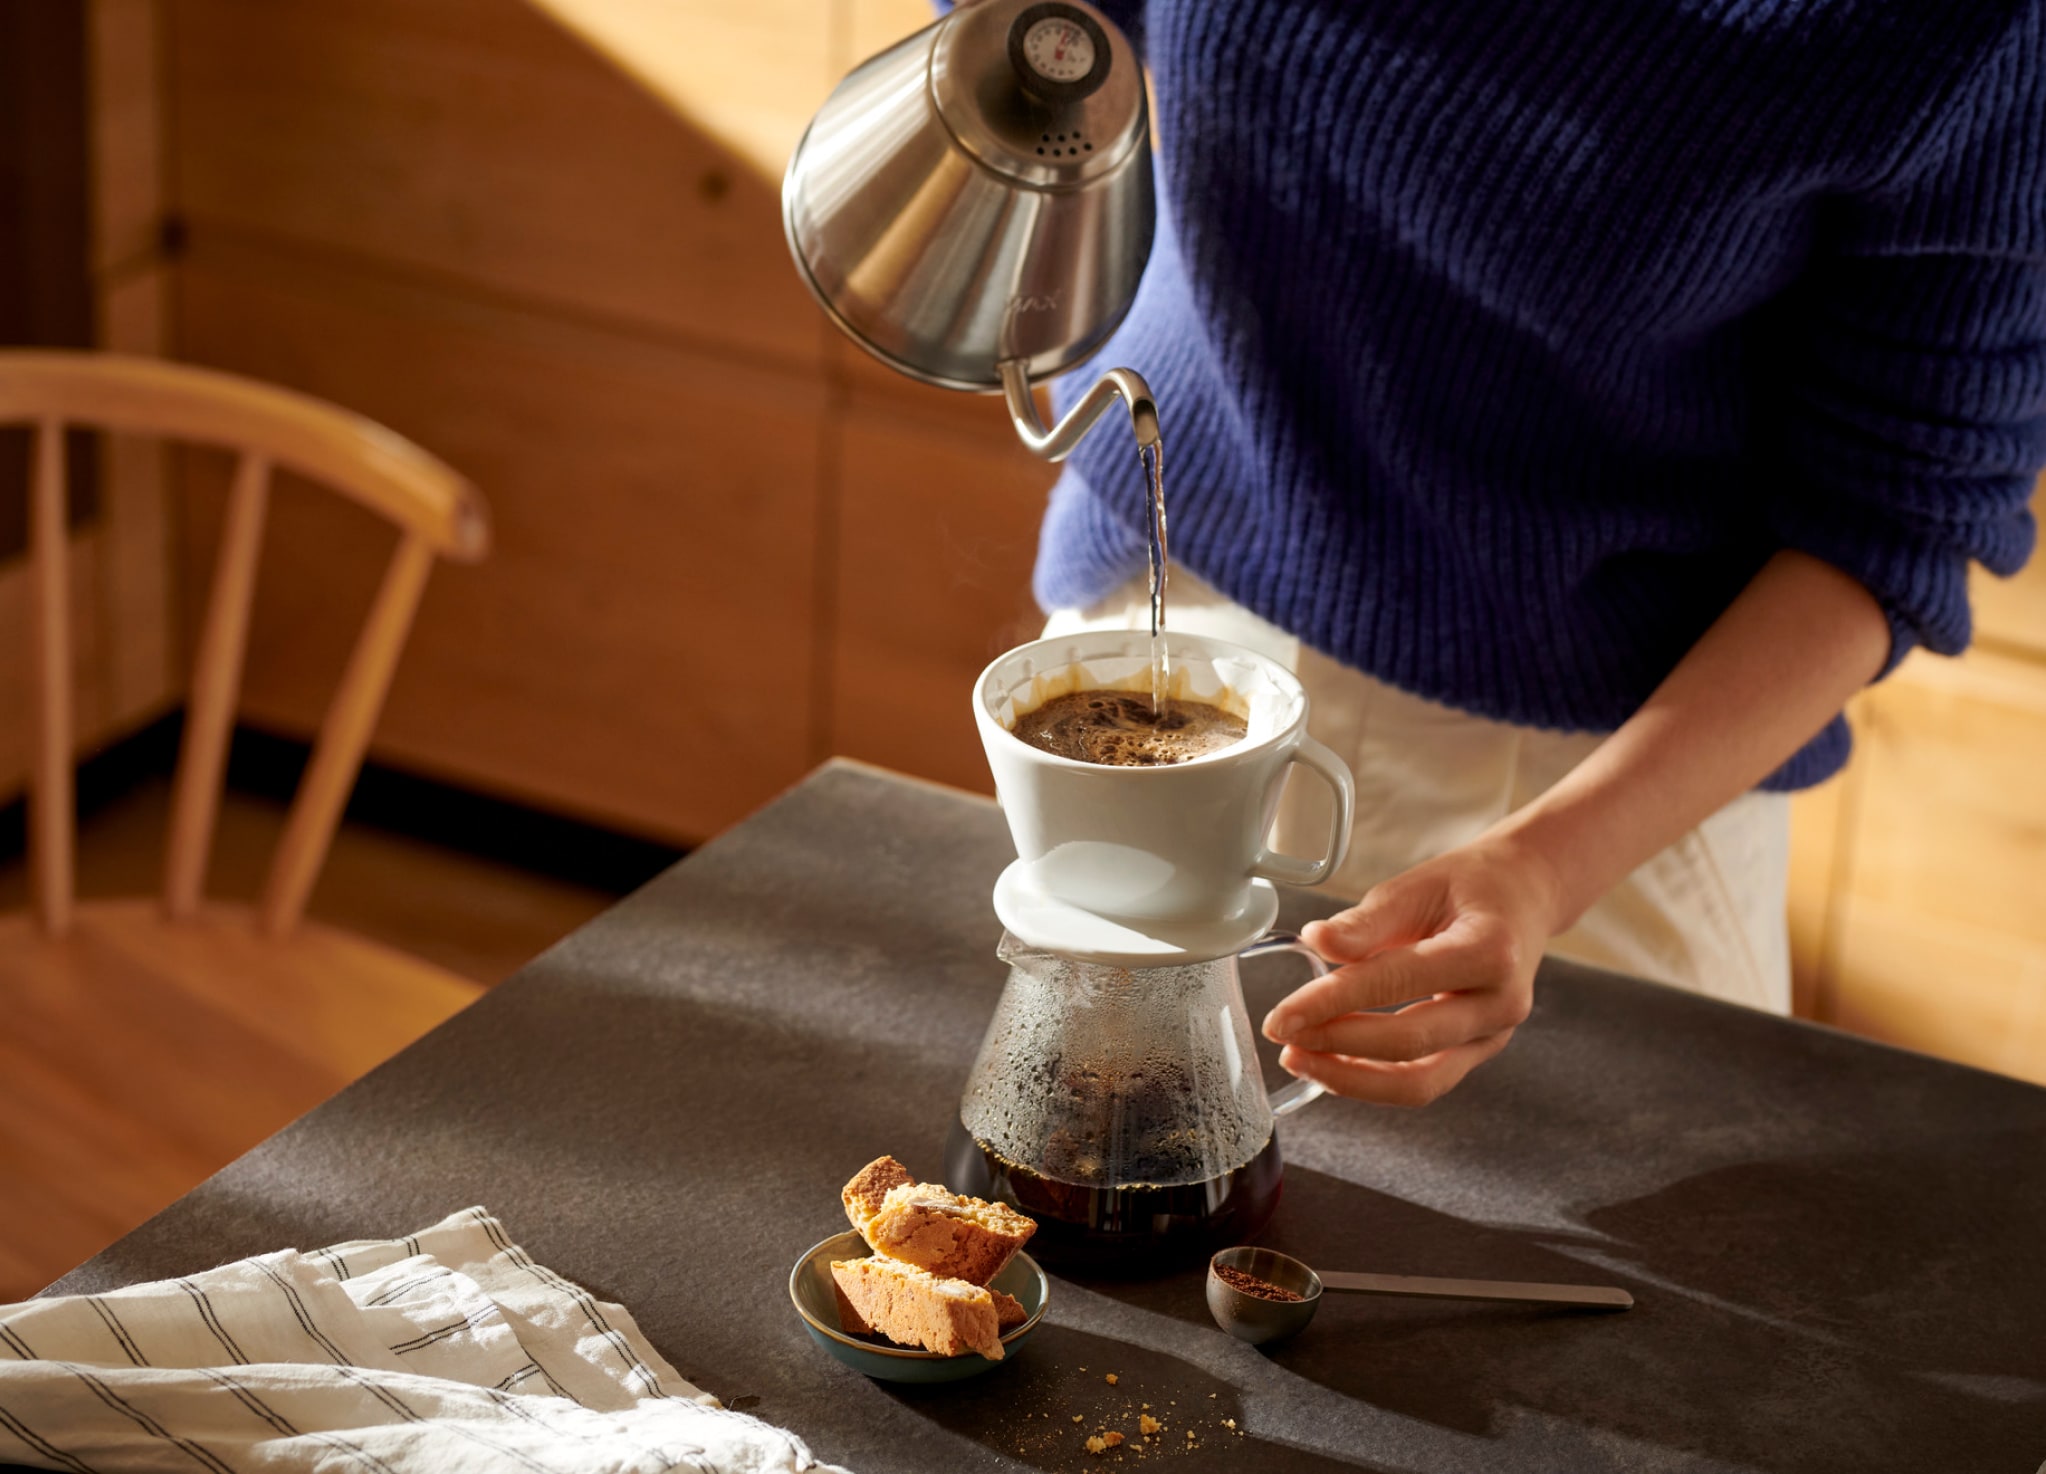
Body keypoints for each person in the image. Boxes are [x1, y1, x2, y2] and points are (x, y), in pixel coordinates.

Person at [1032, 0, 2046, 1105]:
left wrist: (1546, 866)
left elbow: (1896, 509)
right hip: (1164, 631)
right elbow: (1050, 43)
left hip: (1596, 792)